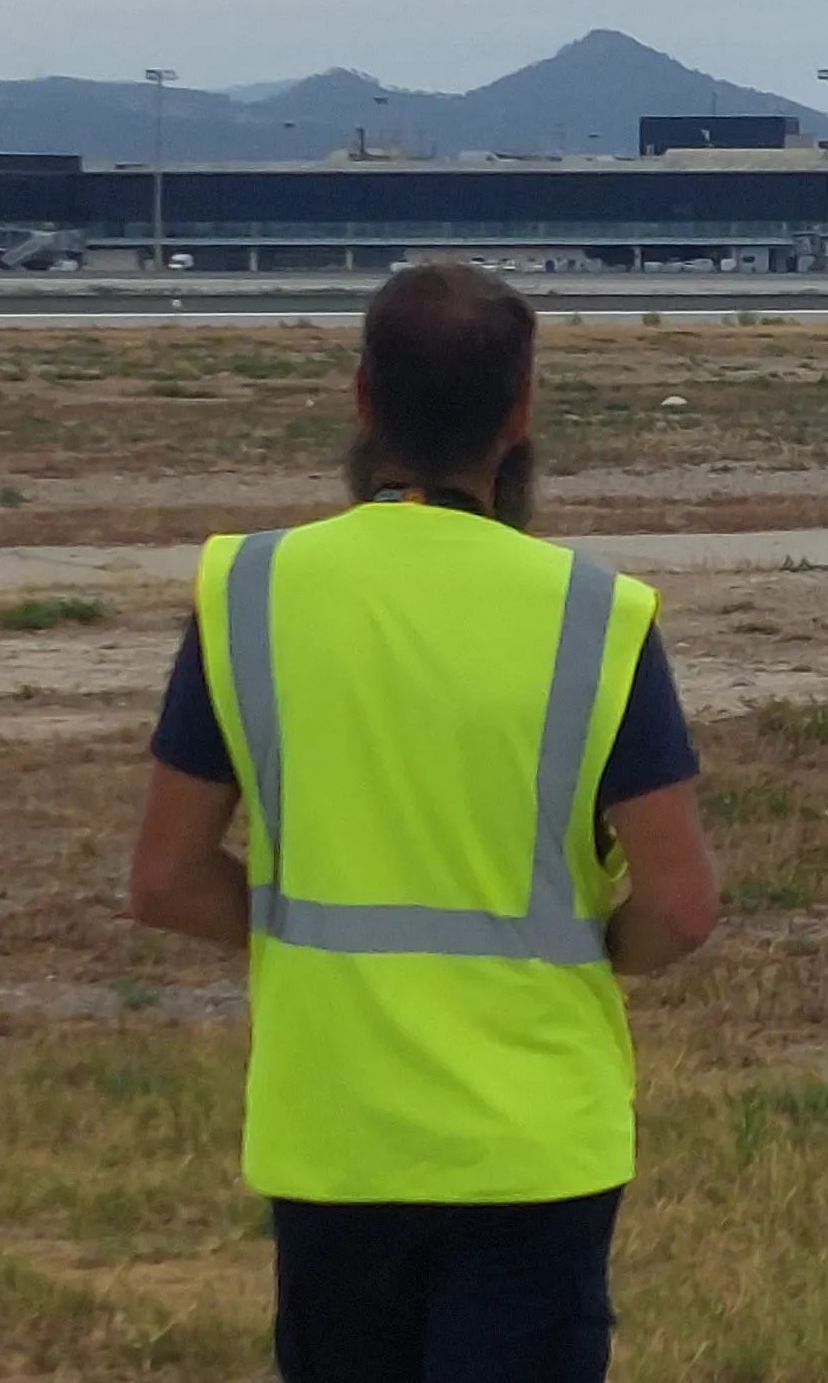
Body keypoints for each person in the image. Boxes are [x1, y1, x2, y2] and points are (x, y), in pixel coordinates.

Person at [128, 262, 721, 1383]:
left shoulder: (250, 591)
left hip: (333, 1134)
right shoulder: (596, 616)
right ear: (520, 412)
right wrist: (589, 950)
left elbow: (163, 880)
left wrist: (301, 933)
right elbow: (682, 907)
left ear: (362, 397)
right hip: (533, 1143)